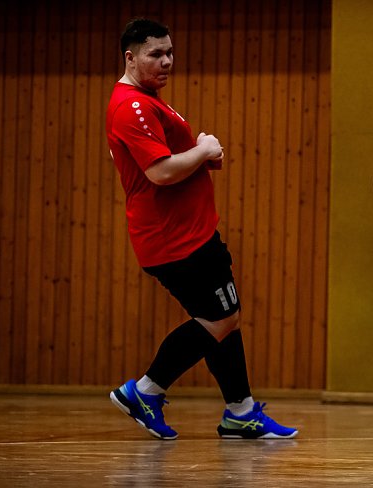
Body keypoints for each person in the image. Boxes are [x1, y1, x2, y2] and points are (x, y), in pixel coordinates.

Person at [105, 18, 297, 440]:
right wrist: (203, 149)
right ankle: (146, 390)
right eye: (156, 54)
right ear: (130, 57)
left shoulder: (148, 100)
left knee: (222, 318)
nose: (167, 61)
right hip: (176, 239)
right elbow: (159, 172)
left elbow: (163, 162)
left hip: (190, 232)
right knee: (221, 318)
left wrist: (201, 157)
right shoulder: (131, 106)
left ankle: (240, 411)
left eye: (170, 52)